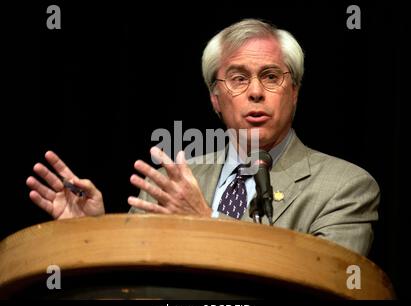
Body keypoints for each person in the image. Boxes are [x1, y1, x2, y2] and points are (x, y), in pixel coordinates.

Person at [26, 19, 379, 256]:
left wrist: (208, 221)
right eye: (238, 79)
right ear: (215, 98)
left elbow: (327, 283)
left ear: (295, 91)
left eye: (271, 77)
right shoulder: (168, 182)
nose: (256, 92)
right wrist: (93, 237)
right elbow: (132, 276)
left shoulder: (344, 187)